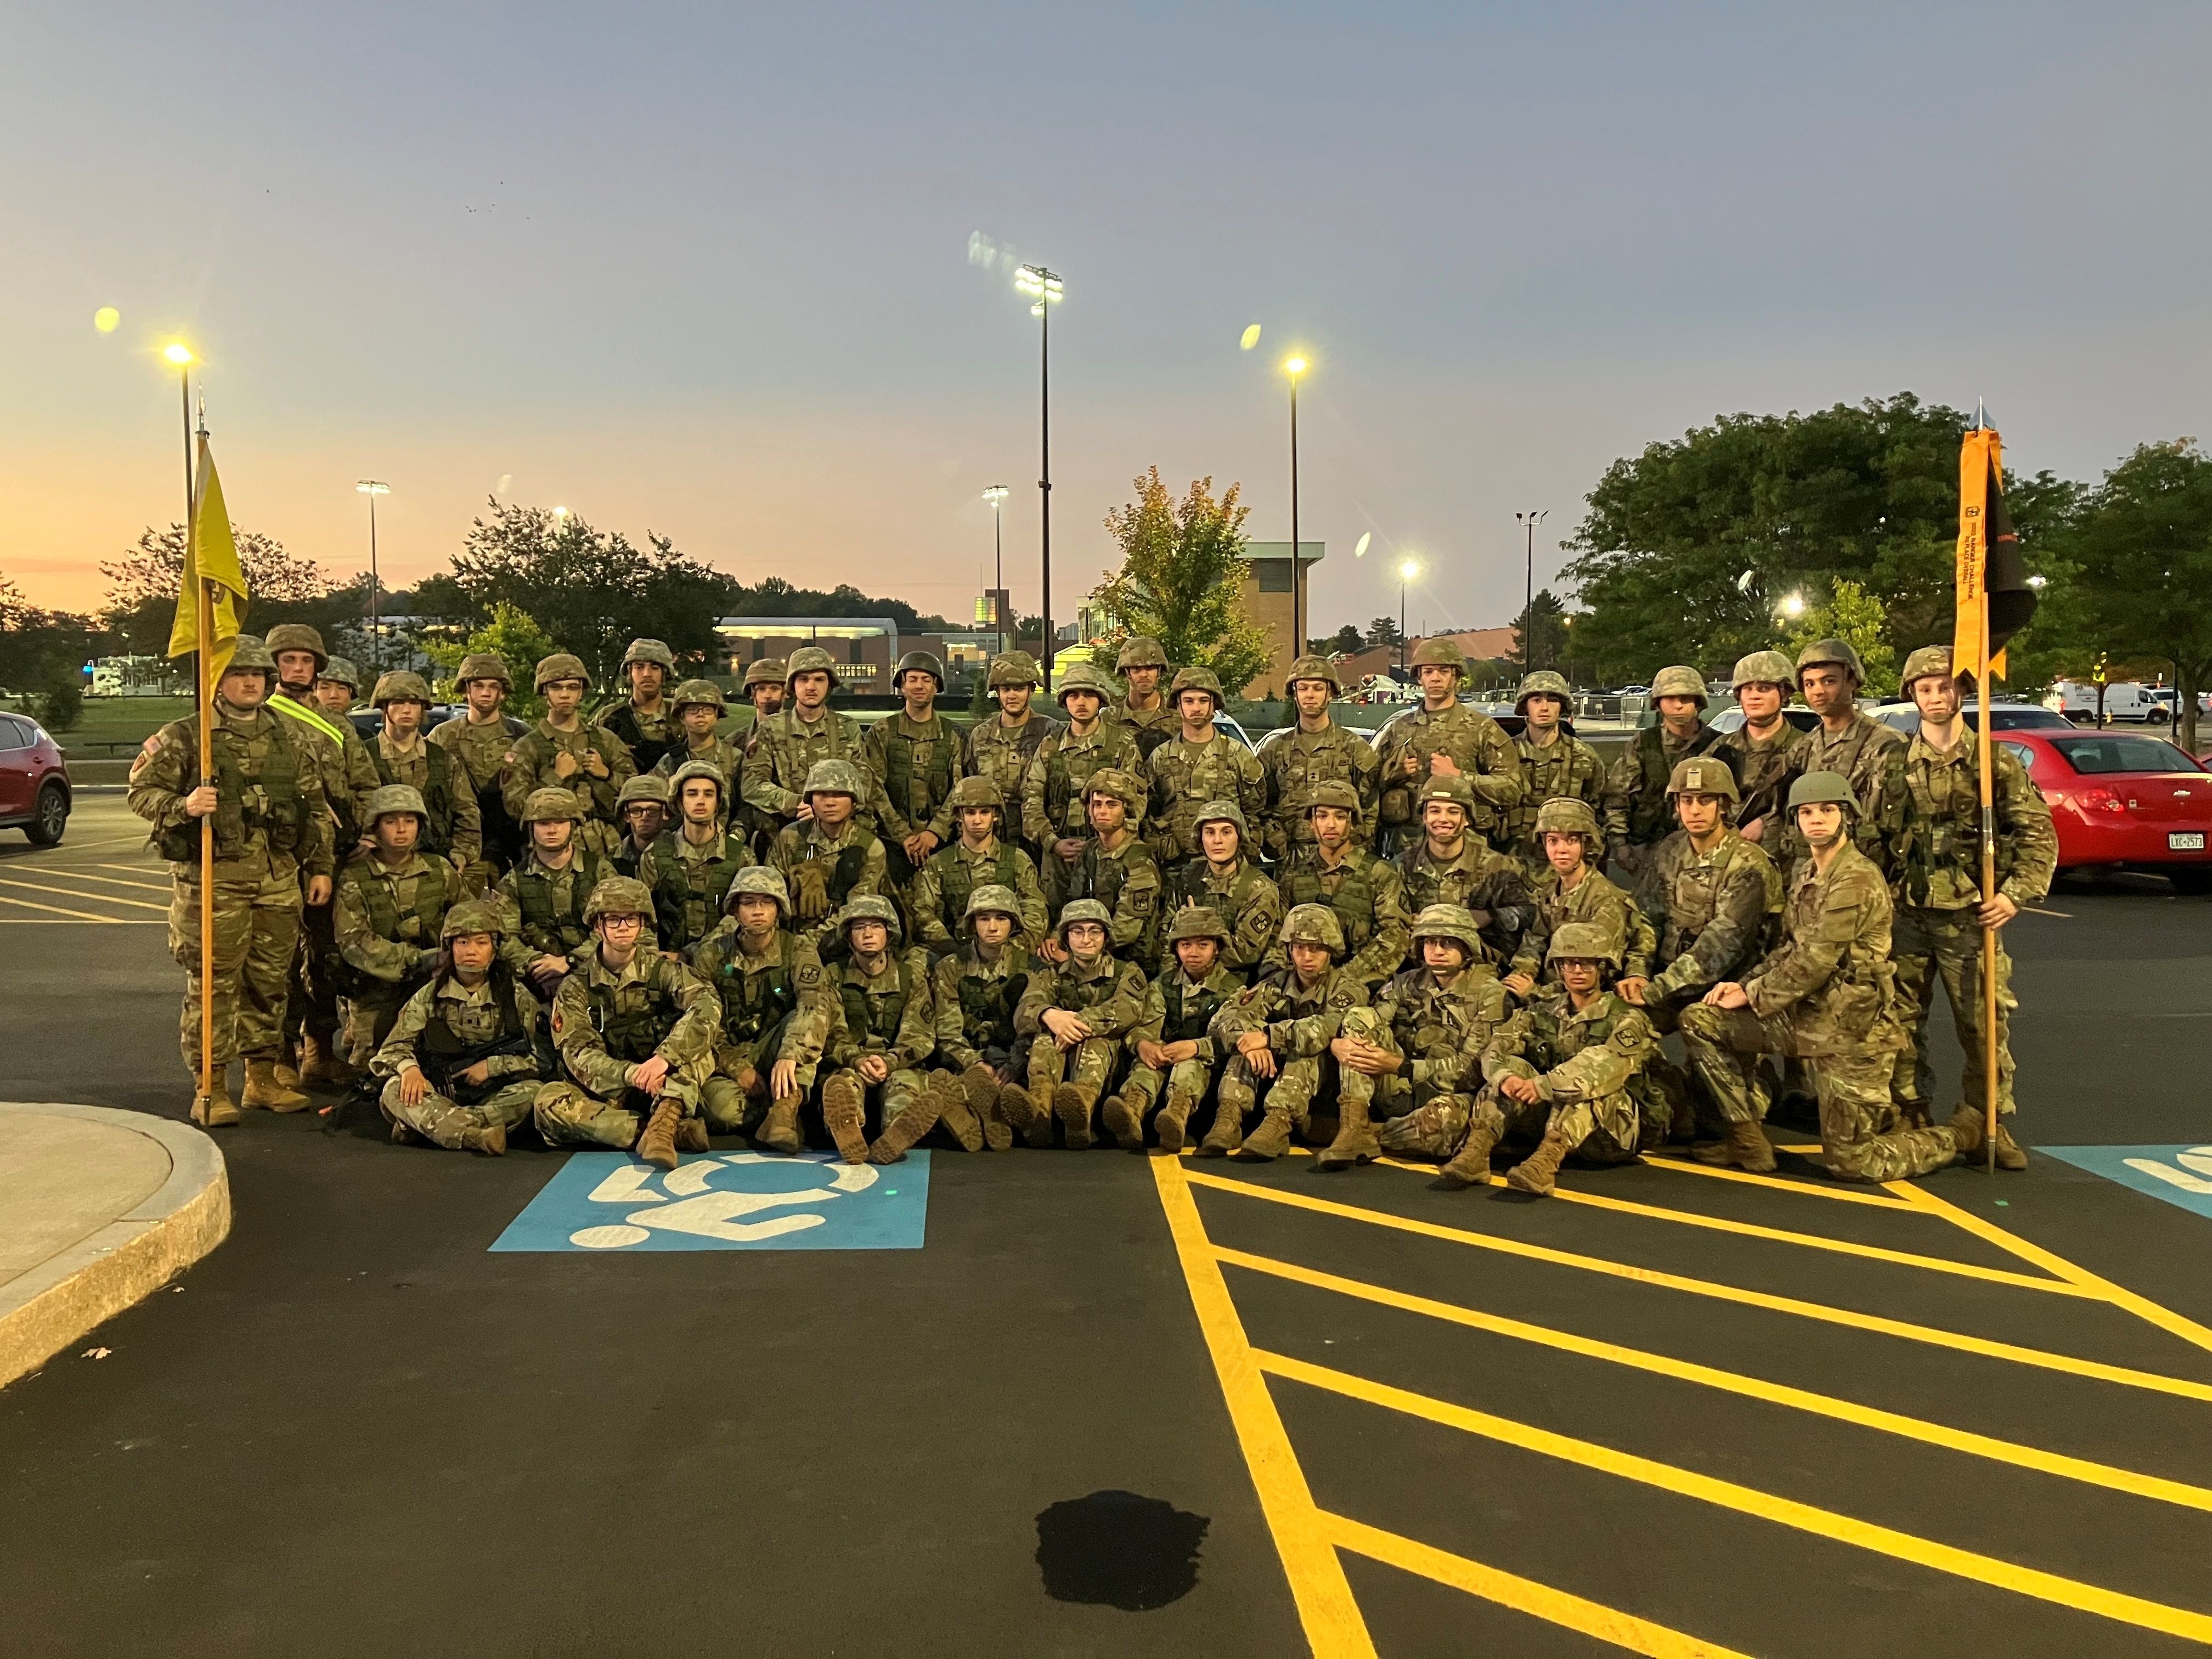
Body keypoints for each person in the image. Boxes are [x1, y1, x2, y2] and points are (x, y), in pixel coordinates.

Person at [1681, 772, 1961, 1182]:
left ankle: (1958, 1136)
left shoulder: (1857, 879)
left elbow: (1815, 961)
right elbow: (1789, 947)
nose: (1817, 820)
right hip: (1802, 1016)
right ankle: (1745, 1137)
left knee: (1853, 1163)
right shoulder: (1806, 872)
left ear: (1846, 816)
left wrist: (1753, 994)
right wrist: (1745, 984)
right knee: (1700, 1020)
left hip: (1852, 1031)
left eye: (1828, 810)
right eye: (1807, 812)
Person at [128, 635, 333, 1124]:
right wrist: (184, 806)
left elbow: (314, 805)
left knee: (269, 983)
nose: (250, 683)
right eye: (239, 674)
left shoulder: (290, 735)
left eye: (258, 676)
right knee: (213, 985)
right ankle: (211, 1086)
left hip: (278, 877)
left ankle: (261, 1080)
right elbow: (140, 792)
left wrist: (320, 865)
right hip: (213, 881)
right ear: (218, 682)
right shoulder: (186, 735)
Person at [1888, 645, 2057, 1169]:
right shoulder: (1894, 762)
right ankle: (1908, 1113)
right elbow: (1869, 837)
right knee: (1899, 1020)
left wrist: (2012, 895)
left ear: (1961, 692)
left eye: (1944, 687)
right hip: (1907, 913)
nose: (1936, 697)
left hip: (1969, 917)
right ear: (1912, 695)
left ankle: (1988, 1121)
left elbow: (2039, 834)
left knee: (1983, 1026)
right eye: (1925, 689)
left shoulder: (1993, 762)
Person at [1436, 923, 1663, 1195]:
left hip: (1611, 1134)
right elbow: (1498, 1045)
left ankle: (1546, 1163)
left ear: (1602, 968)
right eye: (1568, 963)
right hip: (1551, 1119)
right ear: (1559, 968)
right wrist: (1504, 1077)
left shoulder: (1627, 1018)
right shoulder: (1543, 1010)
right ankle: (1479, 1148)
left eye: (1586, 964)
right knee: (1514, 1067)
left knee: (1590, 1087)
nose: (1577, 971)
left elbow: (1607, 1064)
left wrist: (1544, 1086)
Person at [535, 876, 718, 1170]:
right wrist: (631, 1074)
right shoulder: (575, 987)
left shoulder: (665, 971)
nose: (623, 927)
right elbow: (579, 1054)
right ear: (598, 926)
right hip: (614, 1088)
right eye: (613, 919)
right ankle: (660, 1130)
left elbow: (706, 1005)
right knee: (548, 1103)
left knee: (701, 1049)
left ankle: (665, 1120)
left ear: (642, 925)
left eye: (631, 919)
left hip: (664, 1079)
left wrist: (665, 1057)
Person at [264, 625, 375, 1090]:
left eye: (306, 662)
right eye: (288, 661)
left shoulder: (338, 726)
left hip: (333, 857)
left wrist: (365, 831)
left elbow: (366, 784)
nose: (297, 669)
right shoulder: (262, 720)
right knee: (279, 961)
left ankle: (320, 1051)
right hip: (277, 855)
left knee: (326, 959)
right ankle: (278, 1057)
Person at [1334, 903, 1511, 1170]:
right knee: (1359, 1017)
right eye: (1430, 942)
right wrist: (1339, 1043)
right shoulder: (1407, 982)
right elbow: (1371, 1021)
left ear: (1466, 947)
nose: (1437, 950)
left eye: (1448, 943)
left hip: (1451, 1095)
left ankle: (1373, 1133)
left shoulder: (1490, 993)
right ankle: (1352, 1123)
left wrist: (1399, 1066)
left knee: (1445, 1121)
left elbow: (1473, 1070)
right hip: (1401, 1090)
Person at [372, 900, 551, 1154]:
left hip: (492, 1092)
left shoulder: (515, 997)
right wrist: (410, 1069)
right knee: (393, 1090)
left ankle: (432, 1127)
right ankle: (475, 1136)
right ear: (450, 947)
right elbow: (392, 1048)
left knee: (534, 1093)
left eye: (481, 942)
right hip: (440, 1090)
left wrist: (493, 1067)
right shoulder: (430, 996)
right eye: (462, 942)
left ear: (494, 948)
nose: (471, 951)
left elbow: (543, 1059)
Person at [1628, 757, 1781, 1048]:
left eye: (1706, 800)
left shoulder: (1748, 864)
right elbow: (1646, 918)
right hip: (1670, 982)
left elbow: (1721, 946)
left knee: (1702, 1045)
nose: (1695, 810)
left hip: (1725, 990)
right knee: (1612, 1023)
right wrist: (1638, 971)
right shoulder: (1671, 849)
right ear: (1677, 806)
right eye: (1687, 801)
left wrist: (1656, 990)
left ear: (1723, 805)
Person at [1202, 904, 1369, 1161]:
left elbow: (1326, 1027)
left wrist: (1269, 1036)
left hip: (1325, 1082)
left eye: (1316, 948)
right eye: (1299, 947)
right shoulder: (1277, 982)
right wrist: (1249, 1042)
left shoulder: (1347, 988)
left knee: (1301, 1051)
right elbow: (1229, 1017)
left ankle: (1278, 1125)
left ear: (1331, 951)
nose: (1306, 956)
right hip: (1275, 1078)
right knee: (1245, 1047)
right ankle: (1228, 1118)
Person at [688, 867, 834, 1148]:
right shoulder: (711, 956)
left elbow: (813, 1005)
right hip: (729, 1055)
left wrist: (789, 1055)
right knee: (723, 1112)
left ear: (778, 909)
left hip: (779, 1047)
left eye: (766, 903)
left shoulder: (797, 949)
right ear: (735, 909)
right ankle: (789, 1114)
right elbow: (702, 1023)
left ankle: (785, 1111)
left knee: (805, 1022)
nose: (758, 911)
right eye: (749, 903)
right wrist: (737, 1068)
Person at [815, 895, 953, 1165]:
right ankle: (849, 1133)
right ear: (848, 936)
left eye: (876, 926)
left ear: (889, 934)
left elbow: (920, 1035)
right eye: (859, 927)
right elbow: (829, 1032)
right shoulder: (833, 975)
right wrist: (857, 1059)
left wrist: (889, 1062)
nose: (868, 934)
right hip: (851, 1063)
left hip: (897, 1065)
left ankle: (897, 1135)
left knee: (902, 1090)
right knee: (844, 1088)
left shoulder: (909, 977)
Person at [1001, 899, 1148, 1149]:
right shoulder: (1051, 972)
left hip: (1108, 1063)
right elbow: (1025, 1010)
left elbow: (1128, 1010)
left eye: (1095, 931)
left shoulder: (1126, 971)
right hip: (1060, 1058)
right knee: (1044, 1038)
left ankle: (1082, 1110)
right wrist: (1049, 1015)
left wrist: (1075, 1023)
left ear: (1106, 937)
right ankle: (1039, 1112)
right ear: (1066, 937)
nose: (1086, 939)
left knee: (1097, 1040)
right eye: (1077, 931)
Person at [333, 784, 460, 1070]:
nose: (401, 829)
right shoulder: (356, 877)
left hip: (437, 981)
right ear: (375, 828)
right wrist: (420, 960)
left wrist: (452, 958)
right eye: (391, 821)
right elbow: (354, 942)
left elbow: (468, 921)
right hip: (378, 987)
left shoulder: (440, 869)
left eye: (410, 821)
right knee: (371, 1068)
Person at [1110, 906, 1244, 1153]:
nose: (1193, 953)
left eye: (1203, 945)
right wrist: (1143, 1044)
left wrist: (1195, 1047)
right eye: (1185, 946)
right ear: (1176, 949)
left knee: (1189, 1066)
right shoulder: (1162, 984)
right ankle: (1132, 1112)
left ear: (1216, 948)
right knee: (1146, 1065)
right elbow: (1144, 1024)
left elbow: (1233, 1039)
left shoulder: (1234, 989)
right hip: (1166, 1056)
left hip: (1206, 1066)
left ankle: (1176, 1118)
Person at [1374, 638, 1523, 853]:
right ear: (1419, 678)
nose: (1435, 678)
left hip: (1465, 853)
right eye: (1428, 672)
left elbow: (1512, 790)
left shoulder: (1481, 729)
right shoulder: (1400, 729)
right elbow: (1367, 784)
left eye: (1443, 672)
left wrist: (1460, 776)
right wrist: (1394, 772)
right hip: (1408, 853)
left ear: (1456, 677)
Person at [1269, 781, 1412, 997]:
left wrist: (1345, 977)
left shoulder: (1379, 873)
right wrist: (1283, 976)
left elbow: (1395, 937)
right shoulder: (1293, 874)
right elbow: (1277, 934)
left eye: (1340, 817)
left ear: (1352, 823)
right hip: (1299, 987)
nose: (1331, 825)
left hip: (1361, 985)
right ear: (1311, 823)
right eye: (1322, 816)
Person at [1504, 798, 1656, 997]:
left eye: (1572, 840)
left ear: (1586, 844)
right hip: (1554, 988)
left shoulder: (1606, 900)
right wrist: (1523, 973)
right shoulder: (1551, 891)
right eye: (1553, 840)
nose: (1562, 849)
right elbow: (1536, 939)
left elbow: (1595, 978)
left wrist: (1535, 993)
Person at [1023, 659, 1141, 916]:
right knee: (1055, 924)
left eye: (1089, 695)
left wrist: (1107, 847)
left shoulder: (1121, 744)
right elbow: (1031, 800)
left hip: (1107, 855)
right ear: (1064, 702)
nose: (1081, 702)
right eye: (1073, 695)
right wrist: (1053, 843)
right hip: (1057, 856)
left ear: (1101, 700)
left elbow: (1136, 804)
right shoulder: (1050, 746)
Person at [929, 884, 1037, 1152]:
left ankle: (980, 1114)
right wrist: (975, 1063)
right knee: (942, 1085)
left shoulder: (1033, 968)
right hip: (967, 1059)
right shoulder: (951, 968)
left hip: (1013, 1062)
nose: (992, 927)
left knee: (1017, 1096)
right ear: (972, 924)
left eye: (1001, 918)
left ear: (1013, 924)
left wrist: (1013, 1066)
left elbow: (1031, 1026)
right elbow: (948, 1030)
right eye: (984, 918)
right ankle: (973, 1114)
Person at [1784, 639, 1906, 873]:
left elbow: (1894, 826)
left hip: (1866, 872)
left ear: (1852, 681)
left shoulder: (1886, 743)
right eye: (1810, 684)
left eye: (1829, 681)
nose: (1818, 691)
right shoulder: (1804, 747)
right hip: (1812, 873)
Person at [742, 645, 884, 840]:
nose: (811, 687)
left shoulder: (847, 728)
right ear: (792, 685)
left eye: (819, 679)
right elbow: (752, 784)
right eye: (803, 679)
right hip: (786, 833)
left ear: (829, 684)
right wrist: (797, 803)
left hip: (839, 834)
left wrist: (823, 808)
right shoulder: (771, 728)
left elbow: (864, 783)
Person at [1393, 775, 1533, 972]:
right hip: (1417, 973)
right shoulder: (1401, 866)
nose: (1443, 819)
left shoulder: (1498, 867)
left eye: (1453, 812)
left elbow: (1532, 914)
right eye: (1435, 811)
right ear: (1424, 817)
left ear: (1467, 819)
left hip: (1482, 972)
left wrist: (1489, 916)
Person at [1605, 664, 1728, 876]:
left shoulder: (1718, 746)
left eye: (1686, 698)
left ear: (1699, 702)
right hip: (1649, 852)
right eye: (1670, 698)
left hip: (1707, 853)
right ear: (1658, 704)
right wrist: (1620, 845)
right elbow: (1616, 799)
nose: (1678, 705)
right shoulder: (1643, 745)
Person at [907, 774, 1049, 956]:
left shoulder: (1017, 861)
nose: (977, 820)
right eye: (970, 812)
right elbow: (922, 913)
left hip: (1008, 954)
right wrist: (953, 950)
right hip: (954, 954)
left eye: (984, 812)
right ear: (959, 815)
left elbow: (1035, 912)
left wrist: (1012, 949)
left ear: (995, 815)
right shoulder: (939, 863)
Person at [493, 787, 615, 998]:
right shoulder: (514, 880)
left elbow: (616, 927)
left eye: (560, 822)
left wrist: (570, 961)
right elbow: (505, 937)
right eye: (543, 823)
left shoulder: (600, 871)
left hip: (596, 970)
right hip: (536, 978)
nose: (552, 830)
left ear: (573, 826)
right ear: (531, 828)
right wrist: (537, 964)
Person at [865, 651, 967, 895]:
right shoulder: (882, 732)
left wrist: (935, 832)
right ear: (902, 684)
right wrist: (903, 836)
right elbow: (874, 788)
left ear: (936, 686)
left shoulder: (954, 735)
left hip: (943, 845)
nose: (919, 686)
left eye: (926, 680)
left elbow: (960, 790)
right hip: (891, 845)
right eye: (912, 679)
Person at [1260, 656, 1380, 862]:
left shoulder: (1354, 749)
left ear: (1331, 693)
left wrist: (1351, 848)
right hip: (1291, 863)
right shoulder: (1275, 750)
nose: (1310, 695)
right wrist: (1277, 844)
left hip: (1343, 863)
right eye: (1303, 688)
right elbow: (1260, 806)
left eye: (1317, 688)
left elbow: (1371, 809)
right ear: (1294, 694)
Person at [1145, 667, 1265, 868]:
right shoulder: (1160, 757)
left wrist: (1247, 850)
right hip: (1174, 866)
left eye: (1203, 701)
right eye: (1189, 701)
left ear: (1214, 704)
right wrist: (1160, 845)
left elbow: (1257, 811)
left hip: (1228, 869)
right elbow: (1148, 813)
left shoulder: (1237, 755)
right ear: (1177, 705)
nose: (1196, 708)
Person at [502, 653, 636, 828]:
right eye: (556, 688)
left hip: (606, 845)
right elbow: (516, 807)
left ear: (581, 692)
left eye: (572, 687)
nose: (565, 695)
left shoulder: (605, 739)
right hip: (552, 846)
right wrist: (556, 777)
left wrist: (606, 774)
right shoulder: (527, 747)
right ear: (545, 692)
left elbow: (635, 790)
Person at [370, 670, 481, 880]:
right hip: (379, 866)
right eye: (398, 702)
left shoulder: (442, 759)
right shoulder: (365, 756)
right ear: (384, 707)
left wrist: (462, 853)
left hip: (436, 862)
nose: (406, 710)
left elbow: (467, 811)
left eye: (414, 704)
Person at [432, 651, 529, 881]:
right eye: (478, 686)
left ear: (502, 693)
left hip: (513, 842)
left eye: (493, 686)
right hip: (461, 841)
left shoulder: (521, 736)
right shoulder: (443, 737)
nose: (485, 692)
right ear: (466, 690)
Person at [769, 759, 887, 945]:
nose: (830, 802)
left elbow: (857, 909)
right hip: (790, 938)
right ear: (811, 799)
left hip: (844, 943)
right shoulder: (791, 837)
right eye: (822, 794)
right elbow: (770, 896)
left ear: (854, 800)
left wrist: (808, 942)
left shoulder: (870, 848)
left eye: (839, 794)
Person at [1503, 671, 1611, 871]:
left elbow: (1603, 810)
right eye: (1536, 700)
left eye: (1552, 700)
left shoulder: (1584, 756)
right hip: (1512, 864)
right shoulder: (1505, 754)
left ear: (1562, 706)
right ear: (1525, 706)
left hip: (1568, 866)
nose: (1544, 707)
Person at [1166, 799, 1283, 980]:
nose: (1217, 840)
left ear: (1239, 837)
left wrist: (1198, 927)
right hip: (1185, 976)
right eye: (1210, 832)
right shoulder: (1189, 876)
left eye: (1226, 832)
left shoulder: (1259, 888)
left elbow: (1245, 953)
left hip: (1234, 982)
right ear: (1200, 838)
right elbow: (1167, 931)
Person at [650, 760, 757, 951]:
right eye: (692, 794)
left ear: (718, 803)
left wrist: (695, 952)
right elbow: (644, 916)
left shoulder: (742, 857)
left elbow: (742, 917)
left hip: (722, 957)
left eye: (709, 794)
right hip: (666, 957)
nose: (700, 801)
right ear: (679, 801)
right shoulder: (654, 856)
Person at [1064, 769, 1165, 970]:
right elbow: (1074, 902)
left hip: (1130, 962)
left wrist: (1077, 950)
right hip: (1090, 950)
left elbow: (1127, 929)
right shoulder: (1091, 851)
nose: (1103, 812)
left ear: (1126, 811)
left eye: (1112, 805)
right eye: (1097, 804)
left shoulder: (1139, 860)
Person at [964, 651, 1060, 856]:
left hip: (1038, 840)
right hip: (991, 840)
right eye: (1006, 689)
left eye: (1019, 689)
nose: (1012, 695)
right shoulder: (981, 735)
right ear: (997, 692)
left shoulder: (1052, 733)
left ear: (1031, 690)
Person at [1712, 650, 1808, 848]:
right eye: (1747, 689)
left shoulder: (1806, 748)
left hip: (1785, 863)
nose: (1754, 696)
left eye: (1764, 688)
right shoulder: (1720, 749)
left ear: (1784, 693)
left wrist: (1768, 824)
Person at [595, 637, 680, 774]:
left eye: (655, 667)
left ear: (664, 674)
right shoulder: (609, 718)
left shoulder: (680, 717)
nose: (647, 674)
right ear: (630, 673)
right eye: (639, 667)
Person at [651, 679, 746, 790]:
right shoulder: (669, 762)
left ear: (717, 716)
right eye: (692, 710)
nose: (700, 714)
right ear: (682, 717)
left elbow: (745, 803)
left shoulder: (735, 758)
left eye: (708, 710)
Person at [1109, 635, 1178, 761]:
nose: (1144, 675)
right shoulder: (1110, 719)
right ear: (1126, 673)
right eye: (1136, 669)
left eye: (1150, 668)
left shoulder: (1179, 716)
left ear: (1159, 671)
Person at [610, 773, 672, 882]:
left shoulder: (680, 855)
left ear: (666, 814)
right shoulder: (613, 860)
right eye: (636, 811)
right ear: (626, 816)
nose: (644, 817)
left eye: (653, 811)